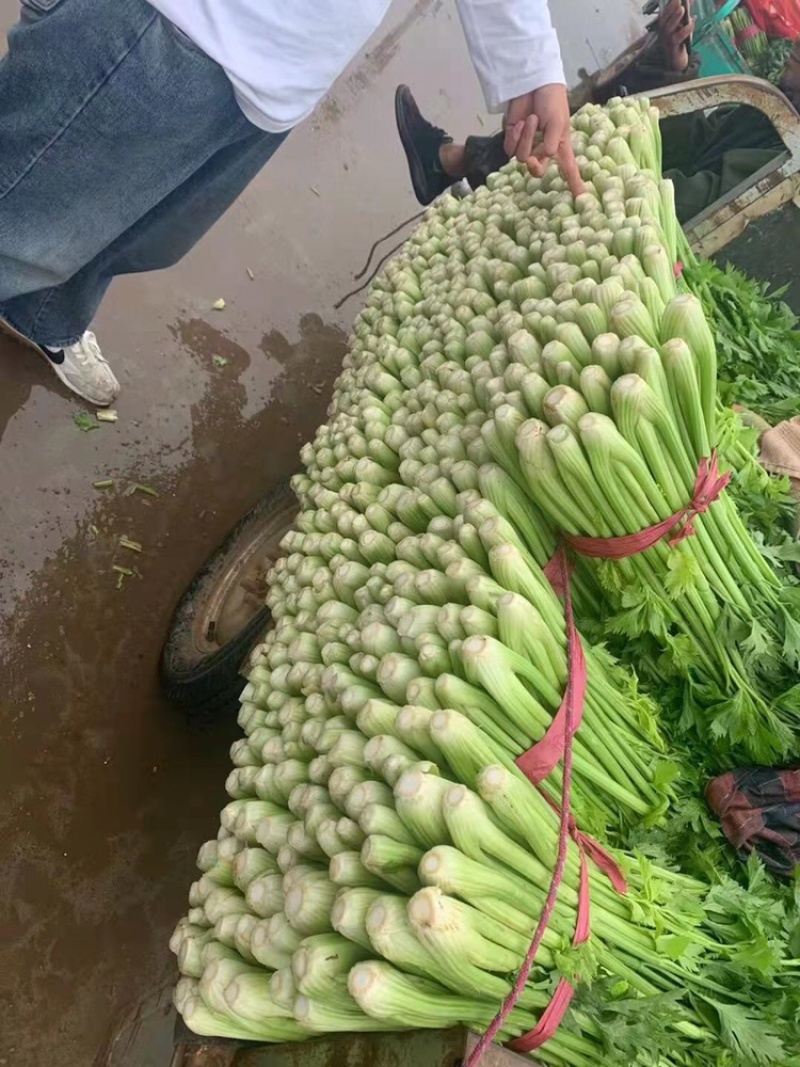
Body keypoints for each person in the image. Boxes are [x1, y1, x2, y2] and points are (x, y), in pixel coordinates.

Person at [0, 0, 577, 407]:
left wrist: (530, 68)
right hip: (170, 24)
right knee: (21, 217)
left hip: (275, 71)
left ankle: (41, 314)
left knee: (138, 234)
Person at [396, 0, 794, 224]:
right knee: (579, 128)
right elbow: (693, 145)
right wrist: (674, 64)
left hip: (644, 228)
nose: (796, 46)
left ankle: (444, 163)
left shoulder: (789, 151)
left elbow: (701, 202)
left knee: (574, 140)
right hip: (635, 199)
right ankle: (445, 162)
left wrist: (601, 172)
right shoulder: (771, 112)